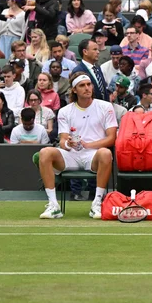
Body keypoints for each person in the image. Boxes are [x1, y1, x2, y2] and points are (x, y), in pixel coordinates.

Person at [37, 73, 117, 219]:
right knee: (45, 152)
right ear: (74, 90)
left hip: (94, 155)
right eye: (82, 85)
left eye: (89, 84)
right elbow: (62, 141)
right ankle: (53, 205)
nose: (87, 88)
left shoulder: (106, 107)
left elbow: (112, 138)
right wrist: (68, 143)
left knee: (106, 153)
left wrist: (88, 144)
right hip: (71, 155)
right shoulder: (65, 111)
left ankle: (97, 203)